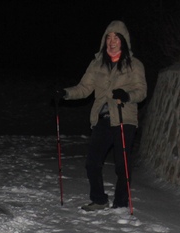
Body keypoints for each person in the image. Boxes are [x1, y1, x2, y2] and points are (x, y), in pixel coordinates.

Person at [56, 20, 146, 211]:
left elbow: (142, 92)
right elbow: (84, 88)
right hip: (102, 119)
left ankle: (121, 202)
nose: (112, 41)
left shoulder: (134, 65)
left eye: (116, 37)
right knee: (92, 163)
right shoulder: (97, 64)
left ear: (123, 40)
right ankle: (99, 199)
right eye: (108, 37)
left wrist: (127, 95)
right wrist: (65, 93)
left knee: (122, 165)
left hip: (124, 118)